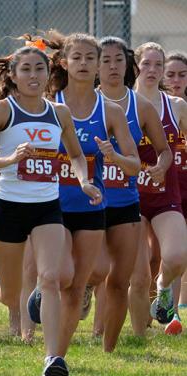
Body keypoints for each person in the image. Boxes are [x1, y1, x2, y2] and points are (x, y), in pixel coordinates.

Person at [0, 43, 101, 376]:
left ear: (48, 74)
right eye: (25, 69)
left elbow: (76, 155)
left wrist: (83, 181)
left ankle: (53, 360)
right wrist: (9, 160)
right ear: (12, 76)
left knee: (50, 279)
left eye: (39, 69)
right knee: (13, 295)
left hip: (47, 206)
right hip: (9, 206)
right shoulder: (2, 111)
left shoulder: (59, 113)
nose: (33, 76)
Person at [34, 33, 140, 358]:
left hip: (93, 205)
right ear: (64, 62)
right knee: (62, 276)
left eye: (89, 58)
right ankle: (43, 290)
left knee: (78, 286)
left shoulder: (110, 112)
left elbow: (134, 165)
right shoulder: (48, 106)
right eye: (76, 57)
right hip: (53, 206)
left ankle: (56, 359)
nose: (83, 63)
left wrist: (113, 156)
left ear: (97, 65)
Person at [88, 37, 167, 349]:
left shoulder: (141, 107)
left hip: (125, 200)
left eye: (118, 60)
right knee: (95, 269)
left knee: (127, 277)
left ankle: (123, 339)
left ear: (128, 65)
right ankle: (82, 295)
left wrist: (161, 166)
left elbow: (163, 150)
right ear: (95, 66)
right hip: (88, 200)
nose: (112, 67)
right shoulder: (81, 104)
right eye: (105, 60)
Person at [133, 42, 187, 334]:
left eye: (158, 65)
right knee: (138, 271)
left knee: (177, 255)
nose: (152, 70)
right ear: (136, 67)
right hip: (131, 195)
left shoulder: (176, 106)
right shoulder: (121, 104)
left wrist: (166, 165)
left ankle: (164, 289)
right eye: (146, 64)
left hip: (166, 194)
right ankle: (140, 328)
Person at [164, 51, 187, 324]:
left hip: (185, 187)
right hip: (162, 189)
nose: (176, 79)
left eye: (182, 74)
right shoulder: (153, 106)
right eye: (170, 74)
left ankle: (173, 317)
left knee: (179, 254)